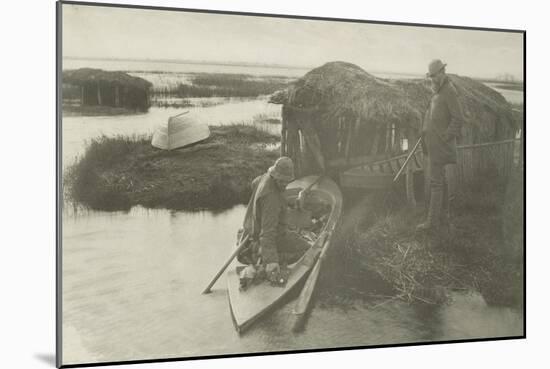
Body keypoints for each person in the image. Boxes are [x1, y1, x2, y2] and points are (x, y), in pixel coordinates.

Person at [417, 59, 464, 232]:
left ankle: (431, 223)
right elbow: (433, 116)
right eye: (431, 76)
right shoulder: (438, 91)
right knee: (440, 182)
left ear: (442, 72)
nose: (432, 79)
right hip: (434, 145)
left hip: (440, 146)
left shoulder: (449, 91)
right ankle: (444, 217)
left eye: (434, 75)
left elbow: (458, 118)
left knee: (435, 183)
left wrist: (445, 137)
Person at [238, 156, 296, 286]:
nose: (284, 184)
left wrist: (283, 203)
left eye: (286, 181)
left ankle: (257, 250)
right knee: (308, 248)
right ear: (275, 176)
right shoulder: (272, 199)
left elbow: (254, 183)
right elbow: (268, 232)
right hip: (268, 238)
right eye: (281, 181)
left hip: (252, 230)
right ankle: (265, 256)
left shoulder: (264, 178)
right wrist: (271, 261)